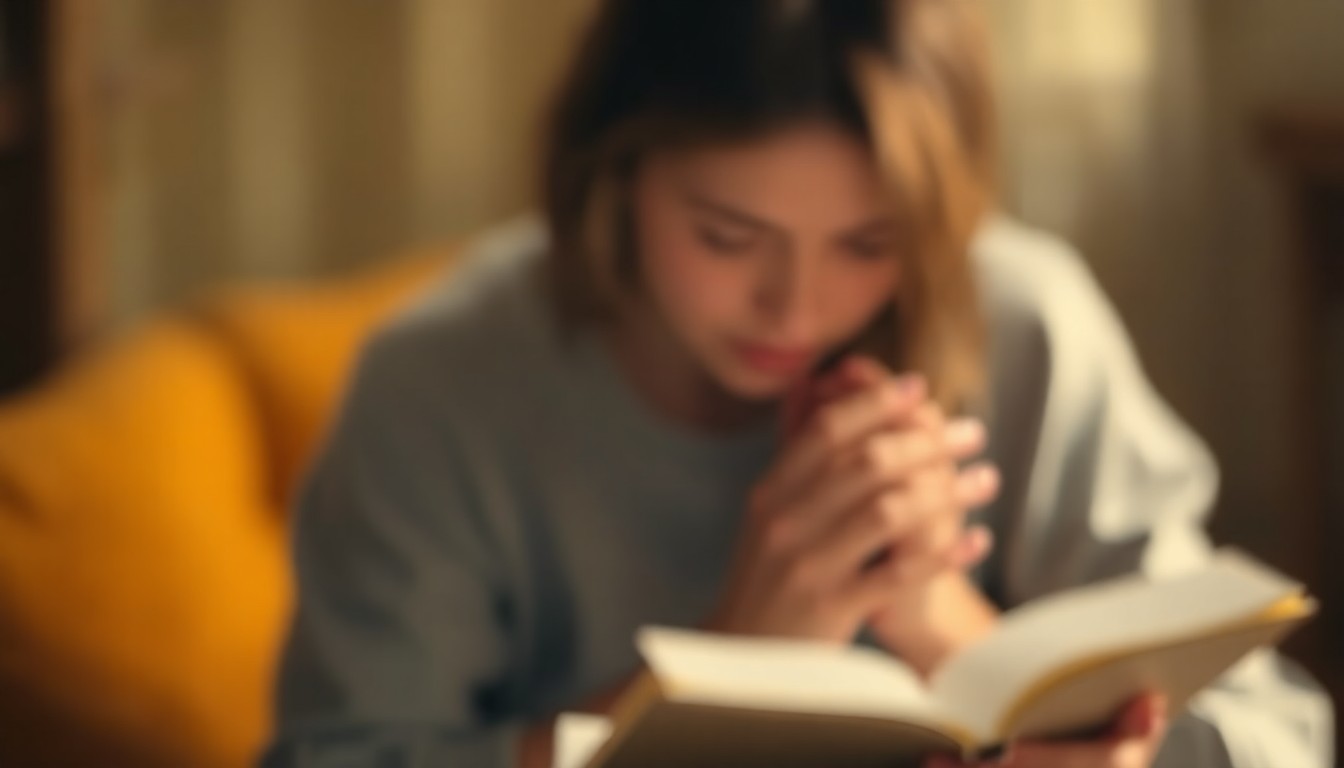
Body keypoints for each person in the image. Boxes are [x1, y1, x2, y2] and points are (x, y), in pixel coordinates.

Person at [262, 1, 1333, 766]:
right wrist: (728, 680)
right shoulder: (443, 380)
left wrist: (974, 651)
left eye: (871, 241)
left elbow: (1283, 739)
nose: (797, 308)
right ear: (611, 173)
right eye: (728, 237)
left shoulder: (1022, 320)